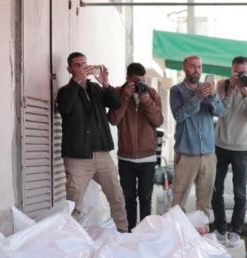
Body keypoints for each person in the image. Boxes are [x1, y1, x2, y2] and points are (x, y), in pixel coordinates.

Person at [56, 52, 129, 232]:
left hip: (102, 153)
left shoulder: (96, 89)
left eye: (84, 64)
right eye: (77, 65)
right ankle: (70, 238)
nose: (82, 68)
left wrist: (105, 83)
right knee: (74, 203)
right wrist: (76, 82)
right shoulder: (65, 91)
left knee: (117, 195)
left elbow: (115, 104)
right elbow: (64, 107)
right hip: (77, 157)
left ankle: (123, 232)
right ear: (69, 69)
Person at [211, 55, 247, 246]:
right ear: (231, 71)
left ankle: (235, 231)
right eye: (236, 72)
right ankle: (220, 229)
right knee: (215, 190)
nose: (240, 75)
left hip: (242, 147)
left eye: (243, 72)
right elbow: (220, 112)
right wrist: (231, 90)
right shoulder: (223, 84)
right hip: (220, 144)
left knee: (240, 193)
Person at [108, 62, 164, 230]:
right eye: (136, 81)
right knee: (128, 198)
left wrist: (147, 102)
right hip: (126, 157)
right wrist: (124, 98)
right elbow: (113, 120)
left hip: (148, 157)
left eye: (142, 81)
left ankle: (145, 232)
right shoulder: (118, 93)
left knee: (145, 198)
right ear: (127, 79)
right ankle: (130, 232)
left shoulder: (152, 94)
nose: (140, 85)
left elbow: (158, 121)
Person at [169, 55, 224, 217]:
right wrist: (197, 97)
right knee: (178, 201)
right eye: (192, 66)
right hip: (186, 152)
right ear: (184, 68)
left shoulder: (207, 89)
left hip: (208, 153)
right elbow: (179, 115)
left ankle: (203, 231)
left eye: (199, 67)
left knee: (205, 203)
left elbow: (221, 112)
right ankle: (177, 231)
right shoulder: (176, 90)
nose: (196, 70)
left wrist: (213, 96)